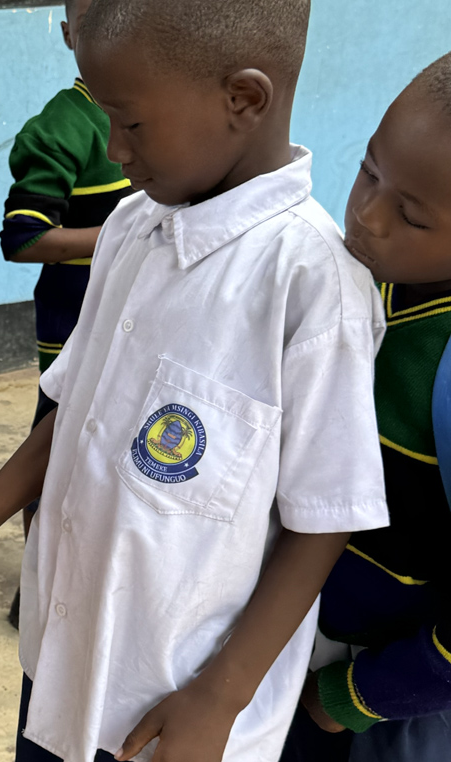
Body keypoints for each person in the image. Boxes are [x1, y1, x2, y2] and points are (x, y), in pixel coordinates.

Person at [0, 0, 392, 760]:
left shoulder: (311, 284)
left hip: (179, 706)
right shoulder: (132, 229)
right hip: (64, 665)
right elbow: (75, 410)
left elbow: (324, 519)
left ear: (244, 99)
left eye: (129, 124)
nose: (113, 148)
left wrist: (220, 696)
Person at [279, 53, 451, 762]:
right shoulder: (349, 282)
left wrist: (357, 696)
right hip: (284, 643)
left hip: (379, 700)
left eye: (410, 214)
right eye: (368, 171)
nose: (367, 217)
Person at [0, 0, 131, 629]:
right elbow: (23, 239)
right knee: (53, 447)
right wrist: (123, 234)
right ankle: (38, 581)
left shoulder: (156, 113)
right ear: (68, 34)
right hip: (72, 325)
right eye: (92, 19)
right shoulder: (62, 126)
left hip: (138, 324)